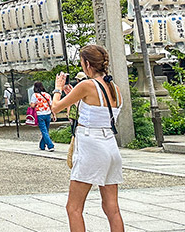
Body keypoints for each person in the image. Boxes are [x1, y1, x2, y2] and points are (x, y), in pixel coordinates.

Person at [51, 44, 124, 232]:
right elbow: (95, 109)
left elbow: (55, 107)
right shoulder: (114, 88)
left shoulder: (86, 85)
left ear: (88, 64)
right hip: (110, 146)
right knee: (111, 208)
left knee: (73, 207)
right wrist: (72, 95)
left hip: (91, 147)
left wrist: (57, 88)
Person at [30, 81, 55, 152]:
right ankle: (42, 145)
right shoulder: (47, 95)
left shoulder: (35, 95)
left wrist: (33, 104)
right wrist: (54, 114)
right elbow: (51, 105)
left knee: (44, 131)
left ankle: (50, 146)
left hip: (40, 114)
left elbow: (32, 105)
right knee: (46, 131)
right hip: (48, 114)